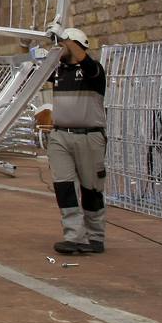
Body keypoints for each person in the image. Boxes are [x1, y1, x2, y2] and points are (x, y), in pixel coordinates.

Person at [47, 25, 107, 255]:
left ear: (74, 44)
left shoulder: (94, 72)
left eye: (62, 44)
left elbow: (84, 60)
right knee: (64, 186)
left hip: (89, 137)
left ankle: (95, 237)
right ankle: (74, 237)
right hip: (61, 135)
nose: (58, 48)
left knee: (91, 188)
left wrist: (64, 37)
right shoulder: (58, 71)